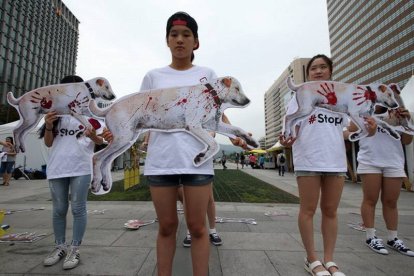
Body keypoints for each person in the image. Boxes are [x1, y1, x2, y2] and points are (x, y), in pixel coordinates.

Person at [139, 12, 247, 276]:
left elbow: (216, 110)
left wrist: (232, 133)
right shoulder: (153, 76)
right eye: (174, 35)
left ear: (195, 42)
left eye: (186, 35)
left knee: (198, 228)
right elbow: (140, 112)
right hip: (161, 160)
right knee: (166, 227)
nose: (180, 40)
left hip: (197, 158)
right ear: (167, 40)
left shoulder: (207, 74)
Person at [280, 54, 376, 276]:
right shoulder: (299, 95)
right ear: (308, 73)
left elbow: (345, 129)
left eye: (323, 67)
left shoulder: (339, 96)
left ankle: (330, 260)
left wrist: (367, 127)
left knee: (331, 211)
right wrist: (287, 138)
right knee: (308, 210)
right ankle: (312, 259)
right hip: (309, 158)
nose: (319, 71)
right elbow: (292, 126)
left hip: (335, 160)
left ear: (330, 71)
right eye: (314, 68)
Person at [40, 75, 106, 270]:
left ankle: (74, 249)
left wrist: (94, 136)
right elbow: (49, 143)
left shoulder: (89, 116)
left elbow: (101, 141)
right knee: (59, 210)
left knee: (78, 209)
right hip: (57, 168)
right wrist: (50, 125)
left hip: (80, 168)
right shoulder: (55, 114)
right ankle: (59, 246)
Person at [358, 106, 414, 257]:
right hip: (370, 160)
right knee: (370, 199)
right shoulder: (362, 111)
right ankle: (370, 236)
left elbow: (407, 140)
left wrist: (407, 121)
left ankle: (392, 238)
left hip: (393, 160)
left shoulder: (397, 114)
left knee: (391, 201)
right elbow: (350, 131)